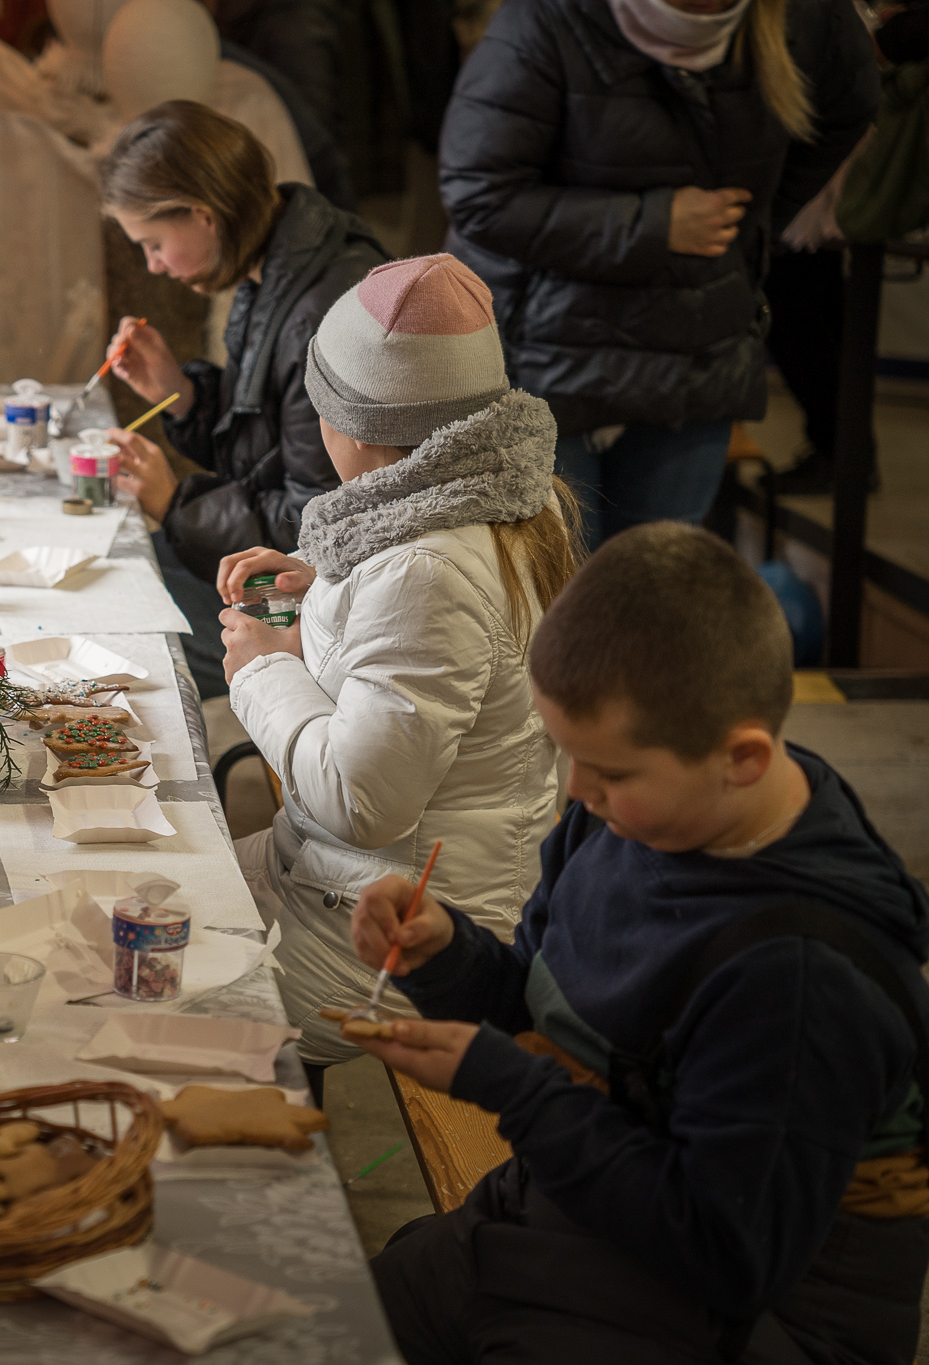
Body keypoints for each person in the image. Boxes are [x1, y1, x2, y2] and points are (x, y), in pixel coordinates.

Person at [351, 523, 929, 1364]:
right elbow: (551, 1010)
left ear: (742, 758)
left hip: (748, 1311)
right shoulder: (633, 815)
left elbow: (725, 1254)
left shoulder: (798, 978)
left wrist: (513, 1087)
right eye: (567, 755)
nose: (576, 791)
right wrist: (447, 957)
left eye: (609, 771)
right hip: (591, 1205)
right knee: (331, 1317)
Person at [215, 255, 579, 1088]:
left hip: (395, 939)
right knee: (149, 891)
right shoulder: (483, 494)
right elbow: (404, 631)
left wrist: (264, 669)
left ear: (362, 429)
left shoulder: (429, 570)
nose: (316, 433)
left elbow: (362, 799)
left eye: (320, 416)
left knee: (147, 985)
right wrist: (322, 587)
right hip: (332, 884)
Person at [439, 0, 879, 546]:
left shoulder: (807, 17)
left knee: (655, 591)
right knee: (559, 595)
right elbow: (478, 194)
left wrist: (744, 228)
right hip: (545, 350)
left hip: (696, 344)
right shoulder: (546, 18)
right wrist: (654, 226)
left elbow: (850, 102)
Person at [97, 100, 386, 699]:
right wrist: (179, 396)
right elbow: (266, 448)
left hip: (330, 604)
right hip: (288, 569)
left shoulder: (322, 309)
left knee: (118, 648)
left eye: (153, 243)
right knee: (110, 578)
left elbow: (316, 527)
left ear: (203, 215)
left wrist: (176, 503)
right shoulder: (274, 264)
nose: (153, 266)